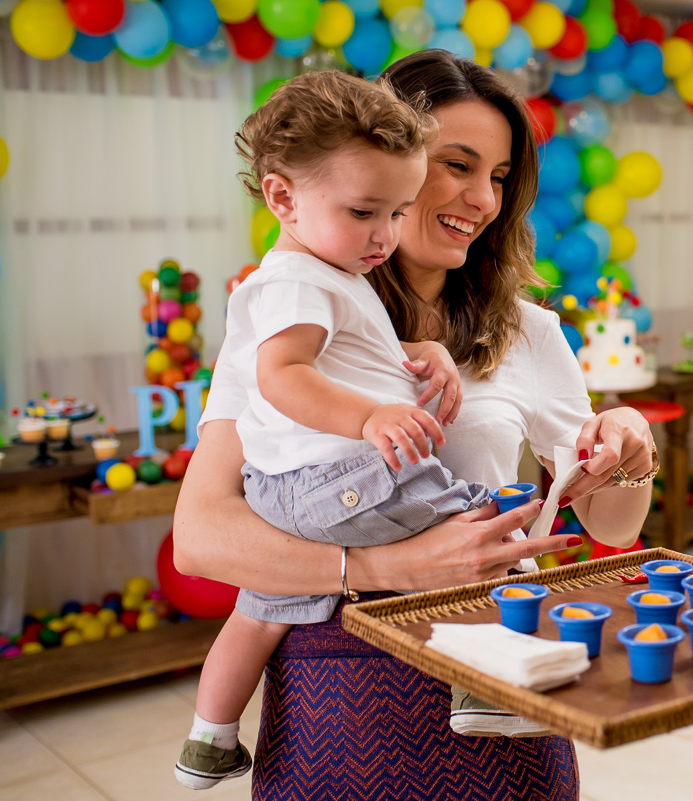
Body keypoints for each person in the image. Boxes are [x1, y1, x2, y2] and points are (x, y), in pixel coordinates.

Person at [174, 50, 655, 800]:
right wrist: (380, 570)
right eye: (456, 164)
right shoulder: (286, 315)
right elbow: (202, 537)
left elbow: (614, 525)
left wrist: (628, 446)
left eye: (499, 177)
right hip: (338, 685)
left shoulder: (528, 331)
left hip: (503, 674)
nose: (482, 199)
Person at [174, 70, 522, 789]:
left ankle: (209, 736)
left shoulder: (319, 276)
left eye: (396, 212)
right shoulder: (300, 280)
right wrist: (370, 416)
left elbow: (348, 354)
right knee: (489, 530)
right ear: (281, 197)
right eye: (367, 211)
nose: (383, 235)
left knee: (258, 611)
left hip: (289, 497)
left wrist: (416, 355)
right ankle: (482, 685)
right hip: (342, 481)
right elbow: (284, 375)